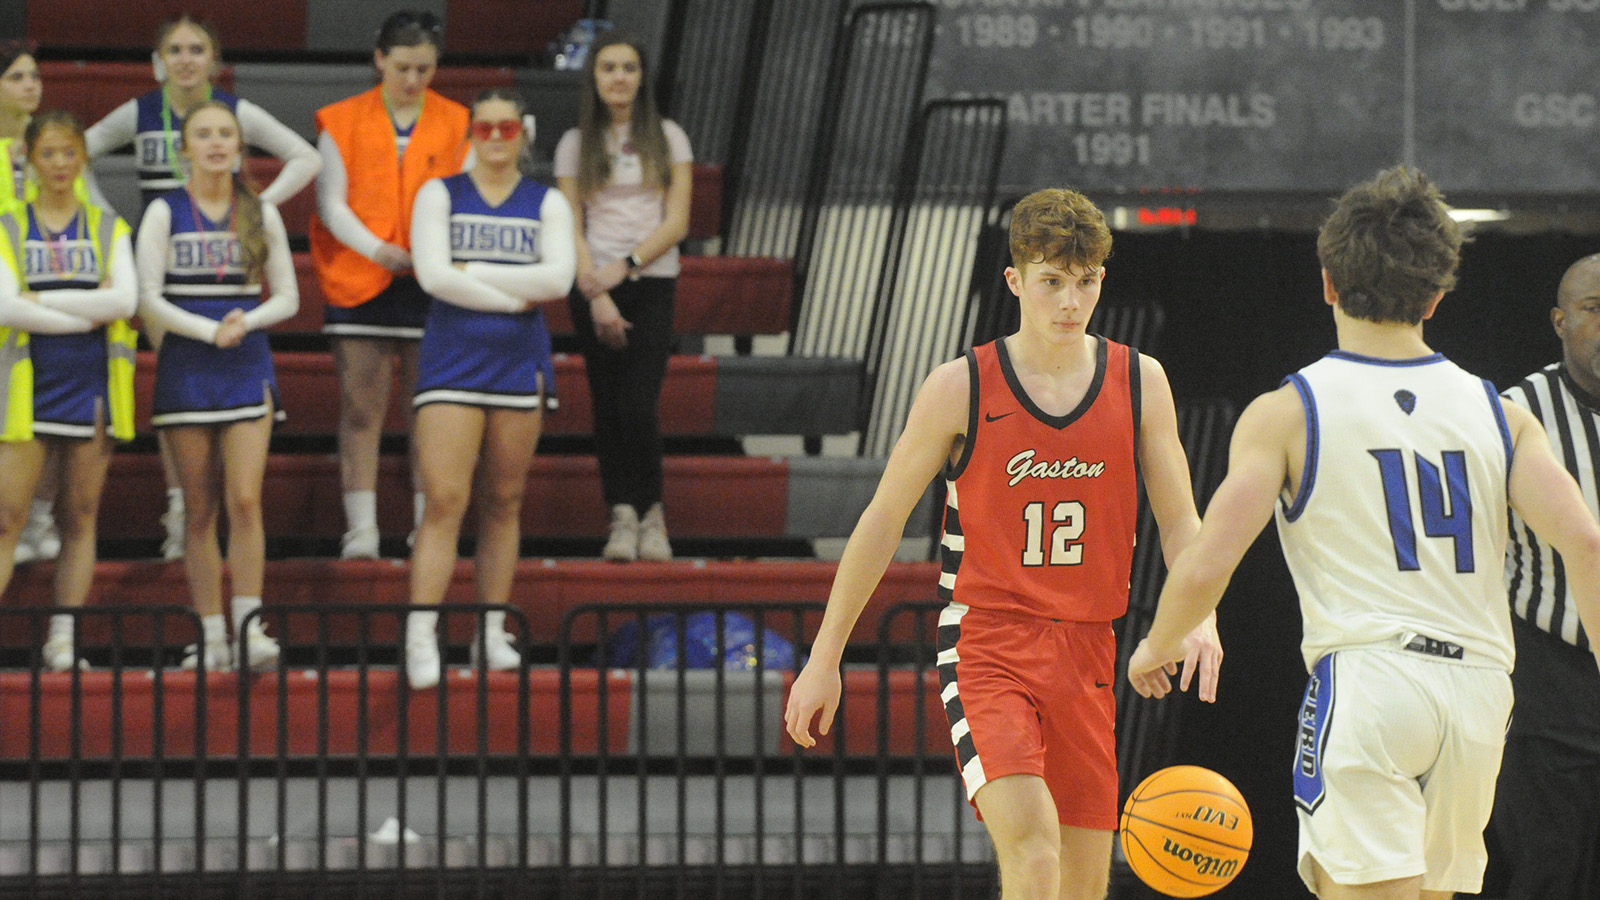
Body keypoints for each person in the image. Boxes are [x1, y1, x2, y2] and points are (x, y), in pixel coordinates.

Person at [1125, 167, 1600, 900]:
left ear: (1327, 283)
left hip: (1371, 680)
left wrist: (1158, 645)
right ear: (1438, 297)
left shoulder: (1289, 411)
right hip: (1478, 692)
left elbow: (1207, 560)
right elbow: (1587, 546)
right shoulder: (1500, 414)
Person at [784, 188, 1223, 900]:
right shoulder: (959, 385)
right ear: (1017, 281)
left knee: (1082, 884)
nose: (1070, 301)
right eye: (1052, 281)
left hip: (1089, 648)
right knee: (1035, 851)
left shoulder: (1140, 381)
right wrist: (825, 655)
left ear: (1101, 280)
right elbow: (882, 519)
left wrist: (1198, 614)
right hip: (990, 642)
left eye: (1084, 282)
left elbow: (1181, 521)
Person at [80, 14, 319, 561]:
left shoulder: (234, 112)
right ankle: (181, 505)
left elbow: (307, 156)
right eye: (175, 49)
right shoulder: (140, 112)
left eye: (196, 49)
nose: (185, 59)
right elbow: (79, 152)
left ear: (213, 59)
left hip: (223, 253)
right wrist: (109, 221)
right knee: (179, 390)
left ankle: (192, 513)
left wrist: (257, 213)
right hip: (164, 263)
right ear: (157, 60)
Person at [402, 88, 575, 689]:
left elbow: (559, 277)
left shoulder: (545, 199)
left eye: (507, 128)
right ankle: (421, 633)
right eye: (485, 129)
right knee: (445, 500)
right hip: (452, 362)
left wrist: (473, 272)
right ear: (469, 133)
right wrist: (510, 294)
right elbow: (431, 274)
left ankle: (489, 630)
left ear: (523, 132)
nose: (497, 139)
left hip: (517, 365)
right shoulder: (439, 194)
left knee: (504, 501)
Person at [136, 101, 297, 671]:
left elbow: (288, 297)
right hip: (186, 362)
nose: (215, 143)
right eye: (202, 135)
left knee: (246, 501)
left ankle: (251, 627)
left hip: (246, 360)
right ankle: (209, 634)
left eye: (225, 134)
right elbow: (147, 296)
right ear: (185, 148)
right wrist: (209, 330)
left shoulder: (260, 212)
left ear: (239, 145)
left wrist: (245, 323)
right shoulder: (163, 211)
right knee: (200, 510)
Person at [311, 9, 469, 560]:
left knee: (428, 410)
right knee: (361, 406)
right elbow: (330, 203)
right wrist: (377, 248)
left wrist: (431, 255)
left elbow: (463, 201)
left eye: (424, 70)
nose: (412, 81)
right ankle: (362, 530)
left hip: (431, 279)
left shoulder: (457, 121)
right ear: (379, 59)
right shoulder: (340, 119)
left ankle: (429, 526)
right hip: (361, 272)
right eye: (402, 67)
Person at [0, 110, 137, 671]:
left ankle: (63, 639)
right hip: (26, 390)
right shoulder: (7, 225)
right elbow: (4, 306)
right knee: (7, 519)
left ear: (83, 158)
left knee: (79, 517)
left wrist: (43, 306)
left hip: (93, 386)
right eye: (49, 153)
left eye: (70, 152)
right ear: (32, 160)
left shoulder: (110, 229)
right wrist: (87, 310)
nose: (60, 163)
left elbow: (124, 304)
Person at [554, 32, 692, 562]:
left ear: (642, 77)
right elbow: (571, 224)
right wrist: (595, 291)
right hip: (593, 286)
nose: (618, 77)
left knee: (639, 404)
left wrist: (626, 269)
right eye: (608, 67)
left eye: (629, 68)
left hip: (650, 282)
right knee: (607, 406)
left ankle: (652, 513)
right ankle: (621, 515)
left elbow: (676, 221)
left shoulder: (669, 137)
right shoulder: (575, 143)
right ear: (594, 77)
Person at [1493, 253, 1600, 900]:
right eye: (1594, 309)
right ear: (1560, 321)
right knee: (1550, 867)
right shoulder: (1518, 411)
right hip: (1550, 671)